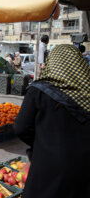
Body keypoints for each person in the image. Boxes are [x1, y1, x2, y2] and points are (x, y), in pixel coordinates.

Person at [14, 44, 90, 198]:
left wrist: (39, 144)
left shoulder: (39, 90)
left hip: (48, 167)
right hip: (84, 170)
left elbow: (21, 127)